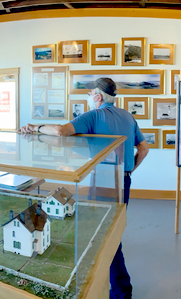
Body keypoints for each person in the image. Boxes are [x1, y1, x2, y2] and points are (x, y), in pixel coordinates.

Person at [19, 78, 148, 299]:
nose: (89, 99)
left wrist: (34, 127)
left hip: (103, 181)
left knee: (103, 237)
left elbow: (60, 131)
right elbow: (143, 149)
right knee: (111, 234)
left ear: (97, 96)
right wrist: (129, 171)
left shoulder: (95, 115)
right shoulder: (127, 116)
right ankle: (118, 289)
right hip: (122, 180)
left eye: (90, 95)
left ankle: (118, 291)